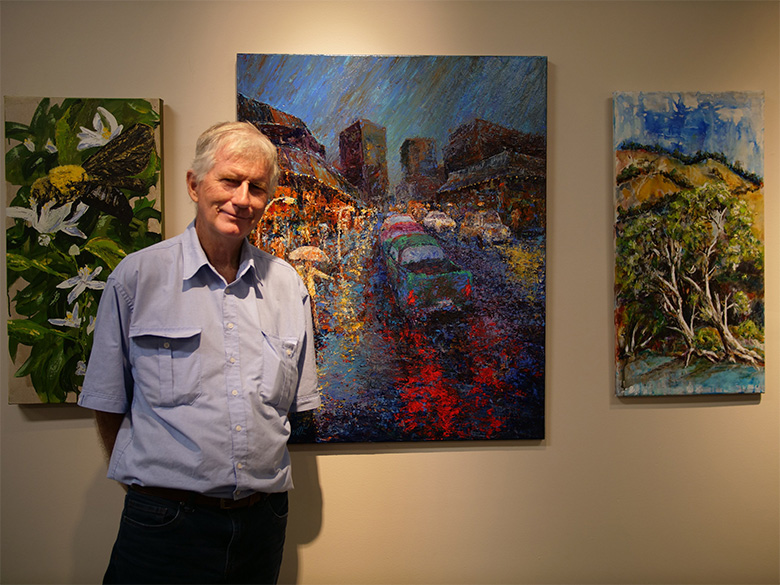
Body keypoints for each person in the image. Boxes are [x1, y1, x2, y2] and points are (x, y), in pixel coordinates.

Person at [78, 121, 320, 584]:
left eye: (257, 188)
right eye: (230, 180)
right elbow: (108, 401)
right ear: (194, 184)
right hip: (164, 526)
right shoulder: (136, 280)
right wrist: (153, 488)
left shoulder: (289, 287)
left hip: (261, 525)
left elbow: (289, 411)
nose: (242, 198)